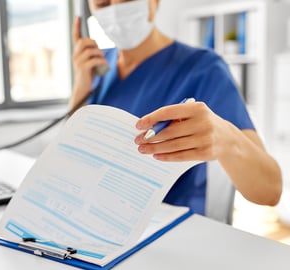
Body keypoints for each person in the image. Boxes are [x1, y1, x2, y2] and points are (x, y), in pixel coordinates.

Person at [71, 0, 282, 215]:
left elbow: (270, 191)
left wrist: (227, 139)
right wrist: (80, 88)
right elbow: (73, 157)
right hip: (99, 213)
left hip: (171, 224)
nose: (115, 10)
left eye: (127, 0)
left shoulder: (205, 69)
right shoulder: (95, 66)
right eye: (103, 3)